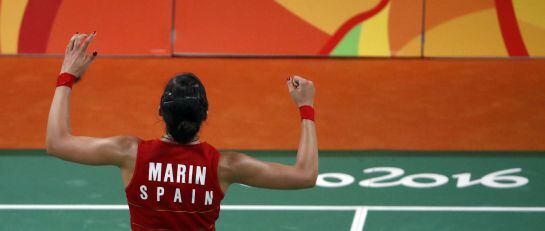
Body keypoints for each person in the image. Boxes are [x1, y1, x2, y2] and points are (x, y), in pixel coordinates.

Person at [46, 32, 318, 230]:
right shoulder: (226, 166)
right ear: (205, 115)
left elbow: (57, 142)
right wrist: (306, 107)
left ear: (160, 114)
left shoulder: (130, 153)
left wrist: (67, 75)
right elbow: (305, 175)